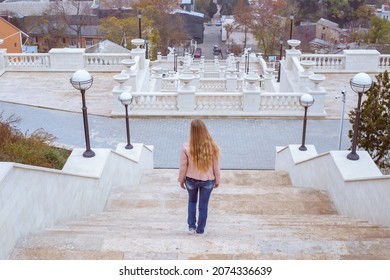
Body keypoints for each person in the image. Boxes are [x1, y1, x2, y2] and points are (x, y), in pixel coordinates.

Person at [178, 119, 221, 235]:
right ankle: (201, 230)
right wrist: (217, 179)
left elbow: (183, 166)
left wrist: (181, 180)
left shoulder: (185, 147)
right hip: (208, 180)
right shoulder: (212, 147)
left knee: (192, 202)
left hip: (190, 180)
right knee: (204, 205)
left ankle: (191, 228)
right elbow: (216, 166)